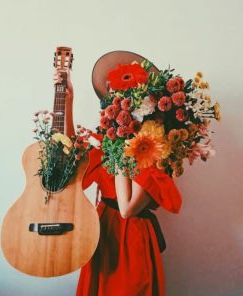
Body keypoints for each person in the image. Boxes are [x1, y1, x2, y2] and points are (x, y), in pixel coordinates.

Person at [54, 51, 182, 296]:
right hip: (101, 230)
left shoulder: (153, 153)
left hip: (132, 239)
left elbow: (127, 209)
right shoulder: (109, 142)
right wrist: (68, 100)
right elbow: (69, 155)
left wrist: (119, 149)